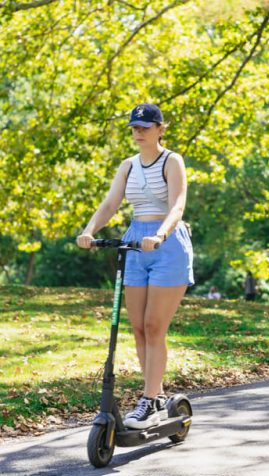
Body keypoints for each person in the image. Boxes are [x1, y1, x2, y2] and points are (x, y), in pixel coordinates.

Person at [76, 103, 194, 429]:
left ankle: (148, 400)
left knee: (155, 326)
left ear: (160, 128)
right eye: (134, 127)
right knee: (139, 328)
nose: (138, 132)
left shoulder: (172, 161)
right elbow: (111, 203)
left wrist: (159, 234)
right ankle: (154, 396)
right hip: (134, 243)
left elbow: (178, 205)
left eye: (144, 126)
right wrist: (89, 231)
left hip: (166, 245)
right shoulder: (128, 166)